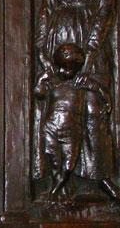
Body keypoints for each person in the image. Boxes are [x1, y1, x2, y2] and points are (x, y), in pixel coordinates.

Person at [34, 0, 120, 201]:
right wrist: (41, 48)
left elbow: (105, 9)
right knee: (61, 109)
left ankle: (102, 177)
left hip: (88, 38)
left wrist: (92, 50)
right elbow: (47, 7)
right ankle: (61, 178)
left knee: (92, 109)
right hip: (60, 37)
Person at [35, 43, 111, 200]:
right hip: (52, 127)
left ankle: (55, 191)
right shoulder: (53, 81)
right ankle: (61, 193)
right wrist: (40, 81)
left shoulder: (82, 83)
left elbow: (101, 91)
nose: (63, 71)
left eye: (68, 68)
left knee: (69, 164)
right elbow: (39, 94)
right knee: (55, 162)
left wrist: (108, 104)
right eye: (62, 67)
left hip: (72, 130)